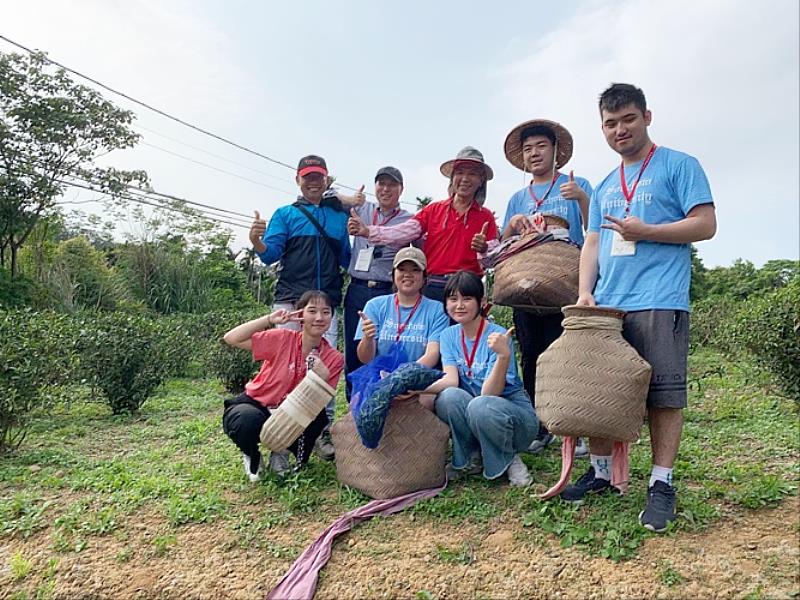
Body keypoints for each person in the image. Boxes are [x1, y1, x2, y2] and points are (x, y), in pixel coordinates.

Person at [560, 83, 716, 533]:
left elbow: (705, 224)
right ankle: (602, 474)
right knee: (598, 391)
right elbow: (593, 241)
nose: (620, 130)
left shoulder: (679, 165)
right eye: (610, 123)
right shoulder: (605, 184)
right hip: (608, 306)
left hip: (659, 299)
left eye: (628, 119)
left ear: (647, 117)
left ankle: (661, 483)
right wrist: (585, 291)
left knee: (663, 396)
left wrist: (647, 231)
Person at [500, 119, 594, 457]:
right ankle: (538, 426)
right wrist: (512, 225)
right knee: (531, 356)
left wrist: (581, 198)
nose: (534, 153)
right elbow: (503, 244)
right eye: (528, 149)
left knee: (568, 355)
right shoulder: (517, 198)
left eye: (541, 146)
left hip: (566, 286)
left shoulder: (576, 185)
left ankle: (573, 428)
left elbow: (594, 228)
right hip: (526, 289)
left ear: (555, 151)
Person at [249, 154, 350, 461]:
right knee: (283, 369)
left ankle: (321, 432)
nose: (313, 182)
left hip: (325, 305)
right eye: (308, 177)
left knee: (324, 370)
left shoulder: (339, 218)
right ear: (298, 180)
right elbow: (270, 255)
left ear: (326, 180)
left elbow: (347, 259)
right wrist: (256, 241)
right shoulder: (285, 214)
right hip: (291, 302)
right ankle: (279, 436)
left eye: (318, 177)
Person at [421, 271, 539, 486]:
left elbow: (490, 393)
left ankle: (509, 457)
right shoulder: (448, 335)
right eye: (453, 299)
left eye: (467, 299)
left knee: (481, 405)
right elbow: (450, 380)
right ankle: (471, 456)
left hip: (514, 419)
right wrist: (414, 386)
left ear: (482, 302)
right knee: (448, 397)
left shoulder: (498, 336)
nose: (459, 305)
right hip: (477, 412)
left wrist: (503, 356)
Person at [221, 290, 344, 481]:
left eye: (326, 312)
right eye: (312, 311)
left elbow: (321, 399)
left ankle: (281, 453)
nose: (319, 318)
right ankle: (252, 455)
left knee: (317, 419)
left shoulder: (334, 358)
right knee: (245, 420)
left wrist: (317, 377)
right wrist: (269, 319)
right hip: (259, 404)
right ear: (300, 315)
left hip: (295, 410)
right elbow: (231, 338)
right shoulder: (282, 338)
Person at [348, 147, 498, 302]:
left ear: (481, 180)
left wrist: (484, 249)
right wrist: (368, 232)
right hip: (433, 286)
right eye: (460, 172)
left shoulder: (486, 217)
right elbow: (403, 232)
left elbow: (493, 261)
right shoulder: (433, 210)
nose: (465, 179)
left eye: (472, 174)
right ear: (452, 178)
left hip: (468, 289)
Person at [343, 167, 415, 399]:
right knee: (354, 350)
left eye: (392, 184)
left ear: (401, 189)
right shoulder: (360, 208)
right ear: (375, 187)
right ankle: (353, 404)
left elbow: (419, 255)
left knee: (383, 348)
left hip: (387, 291)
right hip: (357, 288)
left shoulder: (409, 220)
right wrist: (350, 199)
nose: (385, 189)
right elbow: (327, 194)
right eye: (381, 184)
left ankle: (382, 401)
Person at [354, 247, 450, 408]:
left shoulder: (437, 310)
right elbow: (365, 358)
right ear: (393, 275)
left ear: (424, 277)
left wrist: (403, 379)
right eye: (402, 269)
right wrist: (368, 339)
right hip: (378, 378)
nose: (408, 274)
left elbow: (432, 354)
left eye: (415, 270)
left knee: (426, 402)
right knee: (360, 404)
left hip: (418, 381)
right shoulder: (375, 306)